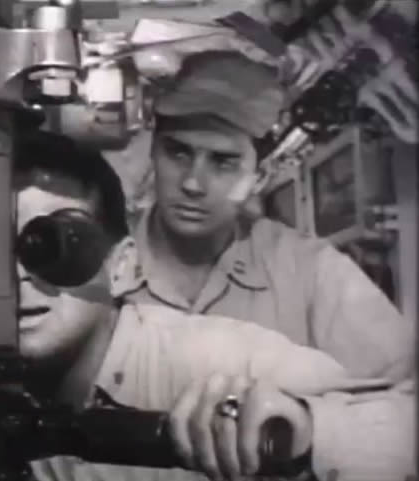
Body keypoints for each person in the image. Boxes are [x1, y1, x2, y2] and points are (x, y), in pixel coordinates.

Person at [13, 130, 416, 481]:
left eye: (52, 244)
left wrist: (301, 432)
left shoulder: (217, 361)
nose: (17, 274)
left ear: (121, 267)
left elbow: (401, 433)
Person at [124, 45, 415, 384]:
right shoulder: (100, 259)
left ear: (258, 178)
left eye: (222, 162)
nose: (192, 183)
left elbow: (404, 392)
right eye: (178, 153)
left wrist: (305, 412)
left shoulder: (310, 270)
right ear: (153, 153)